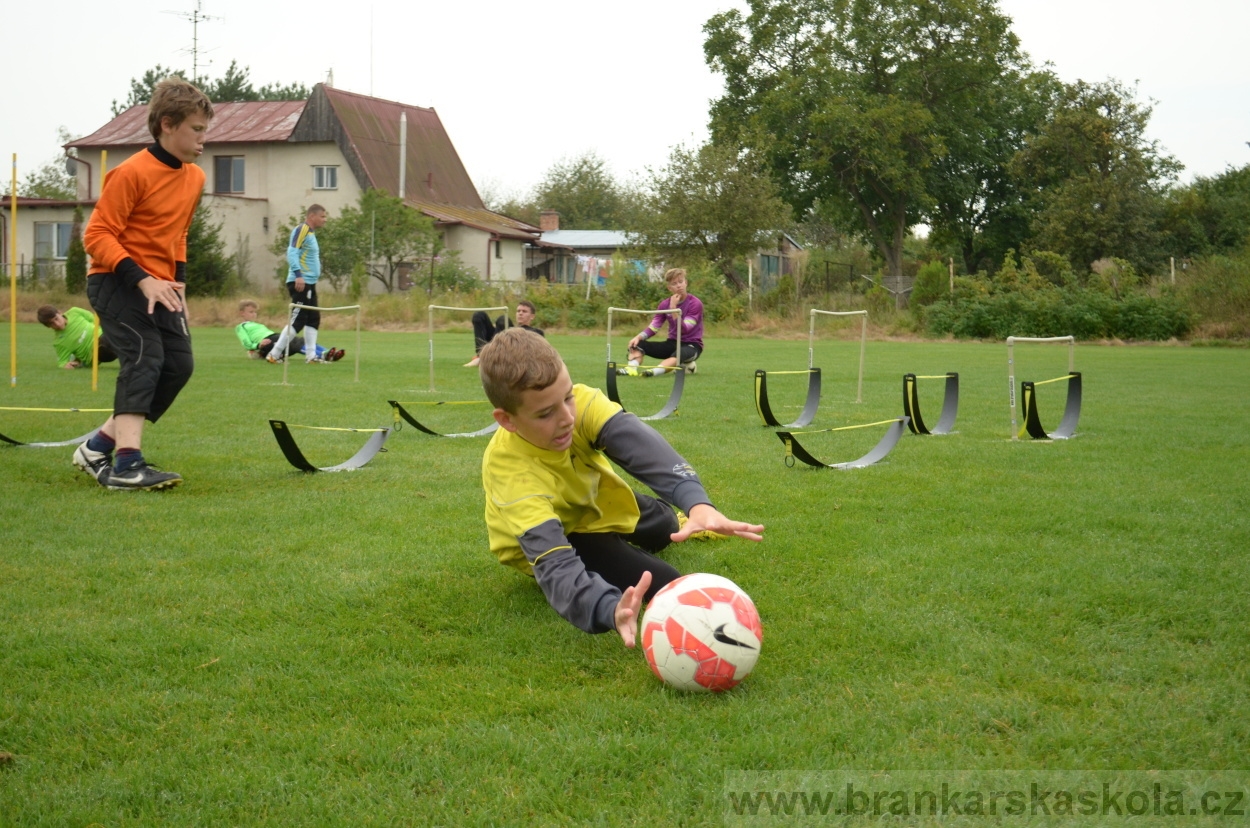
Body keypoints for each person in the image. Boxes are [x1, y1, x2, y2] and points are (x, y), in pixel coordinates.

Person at [478, 327, 764, 647]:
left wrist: (697, 504)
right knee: (664, 583)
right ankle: (616, 551)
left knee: (665, 524)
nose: (566, 418)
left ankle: (672, 523)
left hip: (593, 504)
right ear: (507, 420)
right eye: (545, 413)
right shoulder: (510, 472)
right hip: (561, 535)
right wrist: (606, 608)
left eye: (568, 396)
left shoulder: (582, 403)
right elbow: (555, 566)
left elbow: (642, 448)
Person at [72, 77, 214, 491]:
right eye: (197, 129)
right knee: (144, 359)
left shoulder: (195, 178)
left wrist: (179, 282)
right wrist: (143, 279)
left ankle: (98, 445)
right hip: (116, 281)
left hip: (162, 285)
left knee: (178, 365)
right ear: (167, 124)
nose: (204, 139)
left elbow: (179, 235)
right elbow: (96, 236)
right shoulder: (130, 172)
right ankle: (127, 465)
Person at [267, 204, 328, 365]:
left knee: (313, 319)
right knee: (298, 320)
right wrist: (298, 275)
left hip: (310, 283)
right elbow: (292, 251)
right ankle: (274, 354)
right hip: (300, 282)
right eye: (322, 216)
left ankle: (311, 356)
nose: (325, 220)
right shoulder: (302, 229)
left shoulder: (311, 234)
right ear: (312, 216)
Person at [619, 268, 704, 376]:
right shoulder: (664, 305)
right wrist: (638, 337)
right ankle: (631, 369)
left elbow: (683, 330)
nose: (679, 285)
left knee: (680, 353)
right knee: (637, 344)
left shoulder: (695, 303)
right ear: (669, 288)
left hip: (692, 345)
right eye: (674, 283)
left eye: (681, 282)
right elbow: (654, 327)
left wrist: (673, 308)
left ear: (686, 283)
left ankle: (653, 372)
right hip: (672, 343)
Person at [235, 299, 343, 362]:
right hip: (268, 342)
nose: (254, 314)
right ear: (241, 313)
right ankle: (322, 355)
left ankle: (328, 353)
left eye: (255, 312)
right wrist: (258, 345)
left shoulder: (258, 325)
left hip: (274, 337)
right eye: (250, 312)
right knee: (294, 344)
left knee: (301, 340)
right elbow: (246, 343)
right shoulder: (241, 327)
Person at [464, 299, 543, 367]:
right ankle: (481, 356)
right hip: (497, 339)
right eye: (518, 311)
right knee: (479, 315)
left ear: (532, 316)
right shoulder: (510, 327)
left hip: (509, 347)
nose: (520, 313)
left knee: (502, 319)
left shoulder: (537, 332)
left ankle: (489, 358)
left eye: (524, 311)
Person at [36, 305, 118, 369]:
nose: (57, 324)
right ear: (48, 326)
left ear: (60, 313)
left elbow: (96, 320)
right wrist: (66, 365)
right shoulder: (59, 342)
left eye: (56, 319)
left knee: (120, 331)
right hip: (97, 352)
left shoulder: (75, 312)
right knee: (109, 342)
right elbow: (62, 362)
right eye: (51, 323)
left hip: (106, 336)